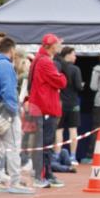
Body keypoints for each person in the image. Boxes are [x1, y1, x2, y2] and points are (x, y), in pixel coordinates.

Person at [0, 36, 33, 195]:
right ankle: (15, 182)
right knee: (12, 147)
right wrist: (11, 112)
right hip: (4, 109)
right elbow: (9, 90)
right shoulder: (5, 65)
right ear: (12, 50)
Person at [27, 33, 67, 189]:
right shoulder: (45, 61)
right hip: (45, 108)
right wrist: (61, 75)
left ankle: (47, 173)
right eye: (58, 43)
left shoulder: (40, 59)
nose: (60, 46)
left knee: (45, 143)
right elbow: (61, 81)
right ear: (51, 46)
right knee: (44, 143)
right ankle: (41, 175)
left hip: (43, 107)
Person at [55, 46, 83, 164]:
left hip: (59, 103)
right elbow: (79, 87)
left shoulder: (57, 67)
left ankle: (56, 156)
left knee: (58, 130)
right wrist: (82, 85)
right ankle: (72, 157)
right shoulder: (75, 69)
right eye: (74, 54)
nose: (75, 57)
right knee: (73, 129)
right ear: (67, 55)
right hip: (73, 104)